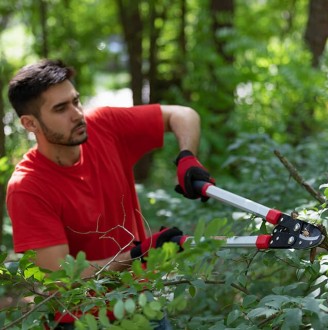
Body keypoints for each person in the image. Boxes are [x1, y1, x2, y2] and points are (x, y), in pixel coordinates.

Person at [6, 59, 214, 329]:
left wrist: (187, 156)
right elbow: (59, 277)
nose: (76, 114)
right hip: (83, 320)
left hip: (141, 303)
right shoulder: (27, 187)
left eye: (75, 101)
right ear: (30, 123)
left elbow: (183, 115)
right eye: (60, 108)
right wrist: (137, 255)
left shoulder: (103, 126)